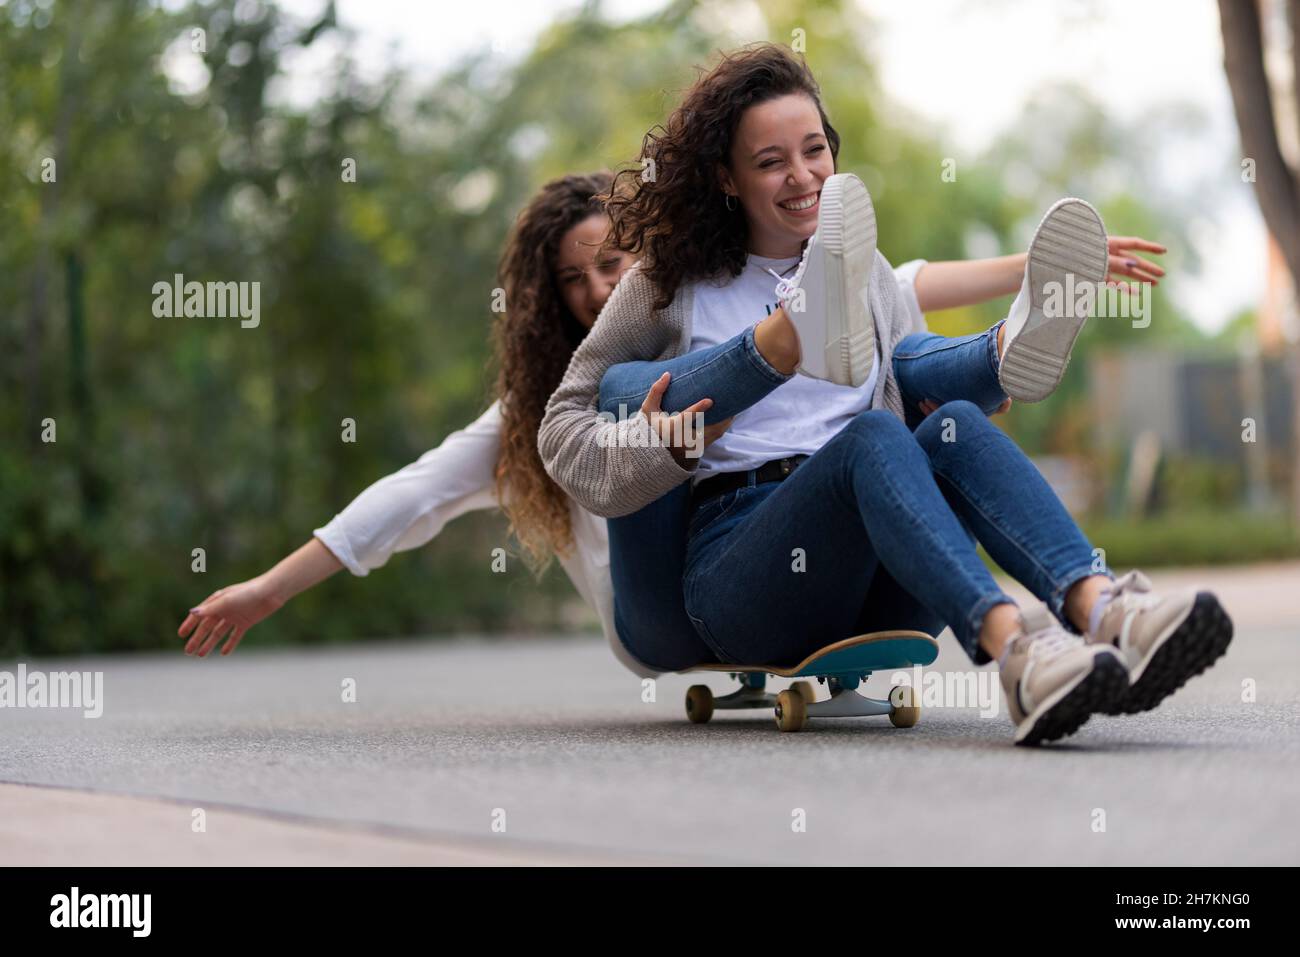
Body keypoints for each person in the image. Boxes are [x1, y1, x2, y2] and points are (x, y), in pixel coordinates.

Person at [538, 43, 1232, 744]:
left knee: (951, 419)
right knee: (869, 439)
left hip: (883, 570)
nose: (801, 175)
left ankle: (1103, 605)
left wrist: (975, 388)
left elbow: (904, 384)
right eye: (771, 161)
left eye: (814, 150)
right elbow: (561, 426)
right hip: (741, 575)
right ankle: (1018, 649)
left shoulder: (859, 267)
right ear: (726, 176)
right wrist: (656, 445)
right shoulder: (666, 284)